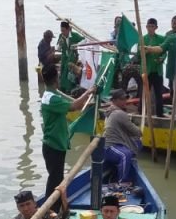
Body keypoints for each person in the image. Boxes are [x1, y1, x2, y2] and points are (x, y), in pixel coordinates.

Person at [40, 64, 95, 198]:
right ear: (56, 79)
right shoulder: (52, 99)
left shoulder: (51, 94)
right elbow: (74, 106)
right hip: (54, 145)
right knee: (55, 180)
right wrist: (88, 93)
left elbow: (74, 104)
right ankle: (50, 209)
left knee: (57, 178)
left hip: (54, 143)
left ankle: (57, 205)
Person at [103, 89, 143, 183]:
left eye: (125, 98)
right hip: (111, 147)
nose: (125, 101)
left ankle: (117, 172)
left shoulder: (110, 111)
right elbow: (137, 132)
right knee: (126, 155)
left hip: (117, 144)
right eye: (122, 99)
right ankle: (122, 182)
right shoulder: (119, 113)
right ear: (115, 100)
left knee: (137, 143)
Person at [141, 17, 166, 117]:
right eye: (149, 26)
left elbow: (164, 52)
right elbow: (139, 53)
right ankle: (142, 112)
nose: (150, 28)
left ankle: (160, 114)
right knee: (144, 93)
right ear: (146, 27)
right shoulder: (143, 39)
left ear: (156, 27)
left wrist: (162, 58)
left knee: (158, 93)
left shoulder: (161, 38)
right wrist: (145, 51)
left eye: (152, 26)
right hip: (147, 70)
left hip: (157, 70)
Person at [56, 21, 84, 93]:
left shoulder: (75, 36)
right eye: (61, 31)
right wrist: (60, 44)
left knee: (68, 71)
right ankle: (62, 88)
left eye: (64, 31)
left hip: (73, 57)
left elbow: (84, 41)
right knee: (62, 71)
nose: (63, 32)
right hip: (64, 57)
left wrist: (77, 45)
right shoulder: (61, 36)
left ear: (68, 29)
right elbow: (58, 48)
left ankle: (69, 89)